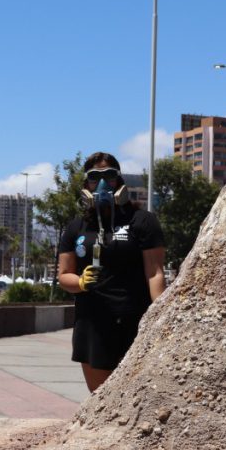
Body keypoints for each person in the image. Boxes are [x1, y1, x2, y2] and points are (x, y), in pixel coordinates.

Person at [57, 152, 166, 392]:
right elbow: (64, 275)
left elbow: (155, 273)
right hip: (92, 324)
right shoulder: (77, 227)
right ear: (86, 185)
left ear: (120, 181)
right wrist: (81, 282)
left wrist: (162, 316)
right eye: (95, 177)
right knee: (100, 401)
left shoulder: (142, 221)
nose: (103, 183)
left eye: (109, 175)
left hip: (135, 322)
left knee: (137, 396)